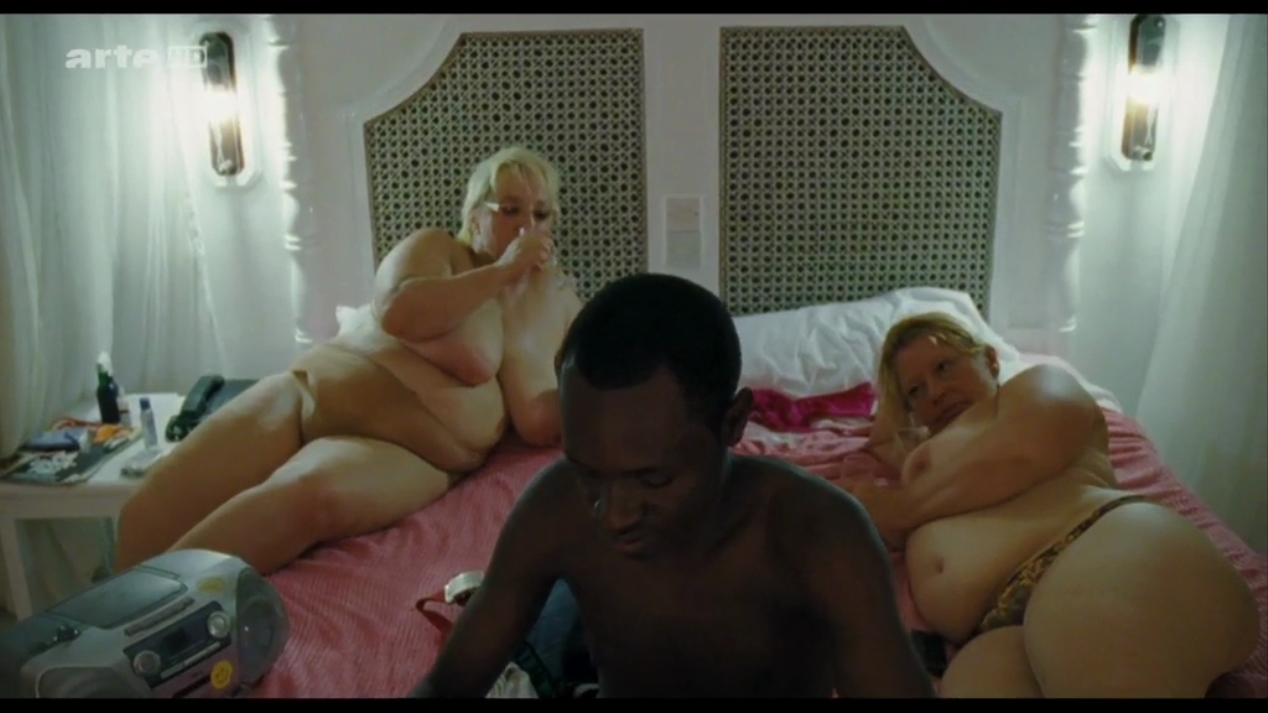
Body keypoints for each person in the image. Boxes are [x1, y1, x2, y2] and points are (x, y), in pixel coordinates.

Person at [408, 273, 936, 698]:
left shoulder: (818, 536)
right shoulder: (557, 508)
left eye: (653, 478)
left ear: (733, 424)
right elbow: (447, 686)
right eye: (589, 473)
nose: (614, 514)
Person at [114, 146, 583, 575]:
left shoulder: (547, 300)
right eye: (509, 210)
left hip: (407, 450)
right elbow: (400, 310)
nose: (527, 227)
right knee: (150, 509)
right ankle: (102, 614)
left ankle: (142, 617)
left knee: (304, 495)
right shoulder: (437, 249)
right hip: (310, 391)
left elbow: (536, 416)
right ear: (474, 215)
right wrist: (502, 271)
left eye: (541, 214)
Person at [844, 312, 1260, 698]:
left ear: (990, 359)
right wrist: (894, 392)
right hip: (994, 630)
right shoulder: (919, 459)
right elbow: (884, 437)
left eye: (944, 367)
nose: (934, 392)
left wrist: (901, 511)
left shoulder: (1033, 386)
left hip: (1095, 544)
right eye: (916, 390)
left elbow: (1026, 453)